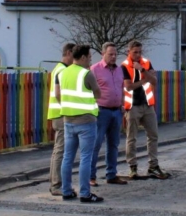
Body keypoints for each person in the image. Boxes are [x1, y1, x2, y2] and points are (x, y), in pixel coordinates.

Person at [58, 44, 104, 203]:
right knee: (86, 157)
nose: (91, 59)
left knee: (67, 157)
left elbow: (59, 94)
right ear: (83, 57)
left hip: (68, 120)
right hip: (86, 121)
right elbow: (98, 93)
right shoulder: (87, 74)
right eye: (90, 56)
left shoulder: (63, 73)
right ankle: (85, 193)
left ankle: (66, 191)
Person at [122, 40, 169, 180]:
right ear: (129, 52)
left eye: (139, 52)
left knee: (153, 135)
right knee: (132, 138)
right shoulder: (124, 66)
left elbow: (154, 81)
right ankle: (133, 167)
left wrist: (143, 71)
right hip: (132, 106)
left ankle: (153, 166)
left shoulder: (146, 63)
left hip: (148, 105)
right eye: (135, 52)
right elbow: (129, 86)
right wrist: (146, 78)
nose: (137, 55)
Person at [89, 42, 128, 186]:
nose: (113, 57)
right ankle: (91, 176)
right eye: (110, 54)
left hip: (116, 111)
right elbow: (89, 91)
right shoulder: (94, 70)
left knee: (114, 144)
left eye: (115, 54)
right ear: (102, 54)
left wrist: (123, 104)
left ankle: (111, 174)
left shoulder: (119, 70)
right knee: (96, 144)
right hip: (101, 111)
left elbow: (122, 88)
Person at [47, 42, 75, 196]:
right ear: (69, 53)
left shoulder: (58, 69)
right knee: (61, 150)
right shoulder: (63, 71)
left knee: (57, 150)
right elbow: (61, 94)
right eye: (75, 55)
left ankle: (54, 181)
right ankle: (57, 185)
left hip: (56, 113)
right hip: (61, 114)